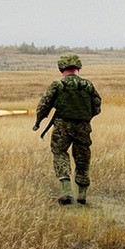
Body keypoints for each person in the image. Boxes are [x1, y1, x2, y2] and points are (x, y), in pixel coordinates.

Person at [34, 53, 102, 205]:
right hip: (83, 127)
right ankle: (82, 195)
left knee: (59, 153)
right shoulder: (88, 85)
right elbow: (97, 107)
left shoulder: (58, 85)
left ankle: (66, 190)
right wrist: (85, 117)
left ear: (61, 68)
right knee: (82, 157)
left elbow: (43, 105)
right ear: (78, 67)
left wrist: (38, 122)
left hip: (62, 126)